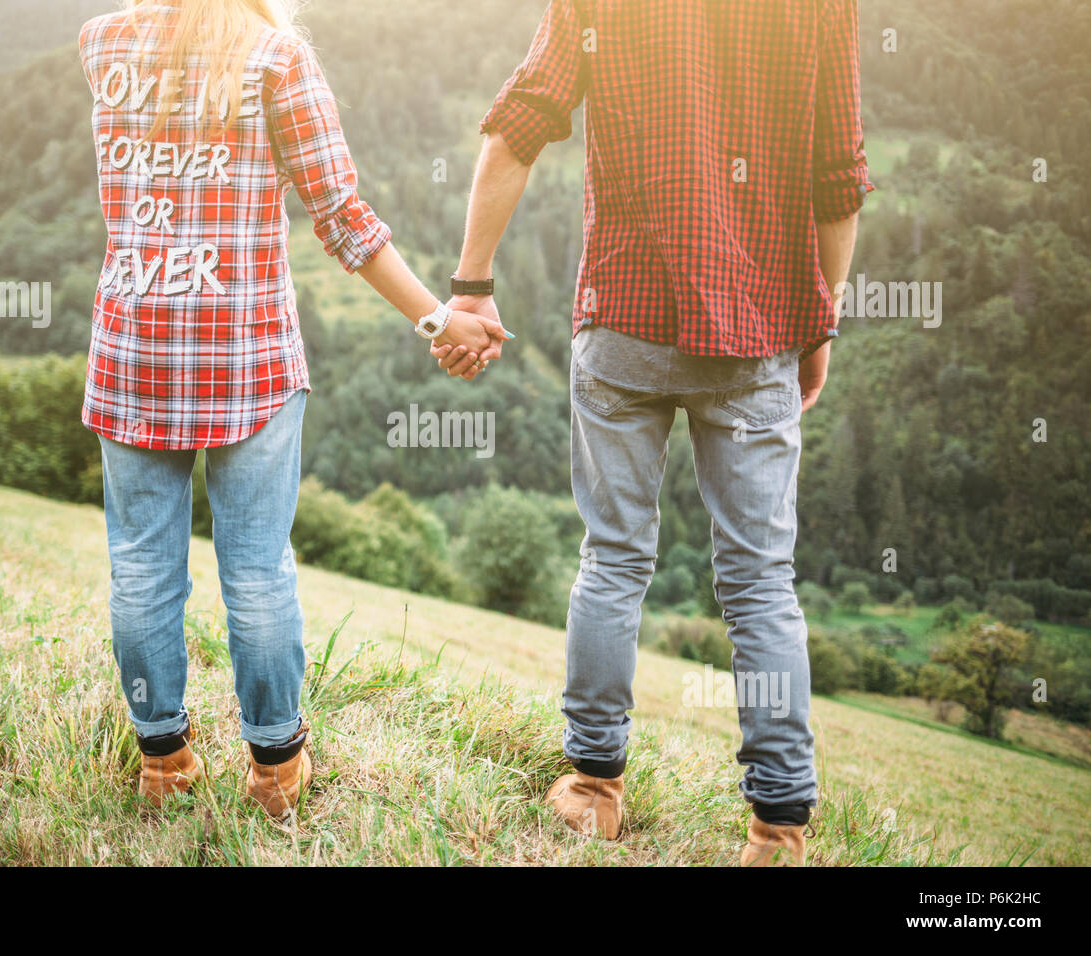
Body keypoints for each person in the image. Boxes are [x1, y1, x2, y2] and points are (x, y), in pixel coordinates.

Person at [434, 0, 873, 864]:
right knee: (759, 581)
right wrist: (817, 326)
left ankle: (594, 787)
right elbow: (839, 177)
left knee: (614, 556)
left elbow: (520, 121)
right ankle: (778, 827)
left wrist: (471, 283)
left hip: (625, 318)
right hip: (756, 333)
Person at [78, 0, 508, 816]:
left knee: (138, 565)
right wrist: (439, 318)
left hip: (132, 351)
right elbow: (343, 220)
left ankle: (163, 762)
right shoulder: (275, 59)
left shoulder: (102, 43)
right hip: (246, 358)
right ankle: (275, 768)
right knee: (257, 568)